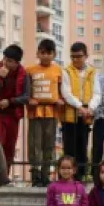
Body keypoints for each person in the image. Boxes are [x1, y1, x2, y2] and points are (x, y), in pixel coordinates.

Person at [26, 39, 63, 187]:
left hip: (52, 113)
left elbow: (62, 90)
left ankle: (46, 175)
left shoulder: (58, 70)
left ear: (54, 54)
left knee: (49, 145)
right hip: (35, 113)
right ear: (38, 53)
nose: (46, 56)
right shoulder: (30, 70)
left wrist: (60, 99)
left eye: (49, 53)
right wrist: (29, 99)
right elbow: (25, 90)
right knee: (35, 145)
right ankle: (35, 175)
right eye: (42, 53)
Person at [0, 45, 29, 166]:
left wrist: (10, 102)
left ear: (16, 63)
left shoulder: (23, 74)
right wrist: (0, 78)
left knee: (10, 144)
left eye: (9, 61)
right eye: (4, 59)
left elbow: (26, 97)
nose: (5, 63)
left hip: (13, 113)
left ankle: (6, 175)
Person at [61, 42, 97, 179]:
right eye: (73, 57)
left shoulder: (92, 72)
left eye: (79, 56)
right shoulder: (66, 71)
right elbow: (66, 92)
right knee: (69, 148)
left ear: (86, 56)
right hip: (69, 115)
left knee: (83, 145)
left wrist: (91, 107)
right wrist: (79, 106)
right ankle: (68, 176)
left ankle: (81, 175)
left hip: (85, 115)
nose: (76, 59)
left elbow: (97, 93)